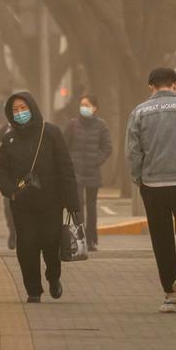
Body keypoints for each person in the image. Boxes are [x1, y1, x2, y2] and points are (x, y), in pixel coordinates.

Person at [126, 68, 176, 314]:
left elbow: (133, 150)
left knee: (161, 240)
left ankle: (169, 295)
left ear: (151, 86)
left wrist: (139, 177)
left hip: (153, 185)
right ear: (174, 84)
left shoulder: (139, 112)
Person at [0, 92, 80, 303]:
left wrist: (72, 202)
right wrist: (11, 190)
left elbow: (65, 167)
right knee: (27, 246)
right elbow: (1, 170)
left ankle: (53, 277)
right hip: (22, 204)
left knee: (51, 244)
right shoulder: (8, 139)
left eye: (23, 108)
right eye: (15, 110)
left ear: (32, 107)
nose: (19, 113)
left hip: (51, 202)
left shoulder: (50, 133)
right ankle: (33, 289)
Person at [64, 94, 111, 251]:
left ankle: (91, 240)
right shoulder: (72, 125)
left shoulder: (101, 126)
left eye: (87, 105)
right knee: (78, 207)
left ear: (95, 108)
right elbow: (65, 146)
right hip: (75, 172)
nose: (84, 108)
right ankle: (79, 240)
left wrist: (97, 160)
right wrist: (69, 164)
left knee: (91, 208)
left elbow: (107, 147)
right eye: (82, 104)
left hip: (92, 172)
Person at [0, 122, 18, 250]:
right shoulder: (4, 130)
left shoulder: (33, 130)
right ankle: (13, 232)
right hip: (8, 176)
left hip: (25, 176)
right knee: (9, 206)